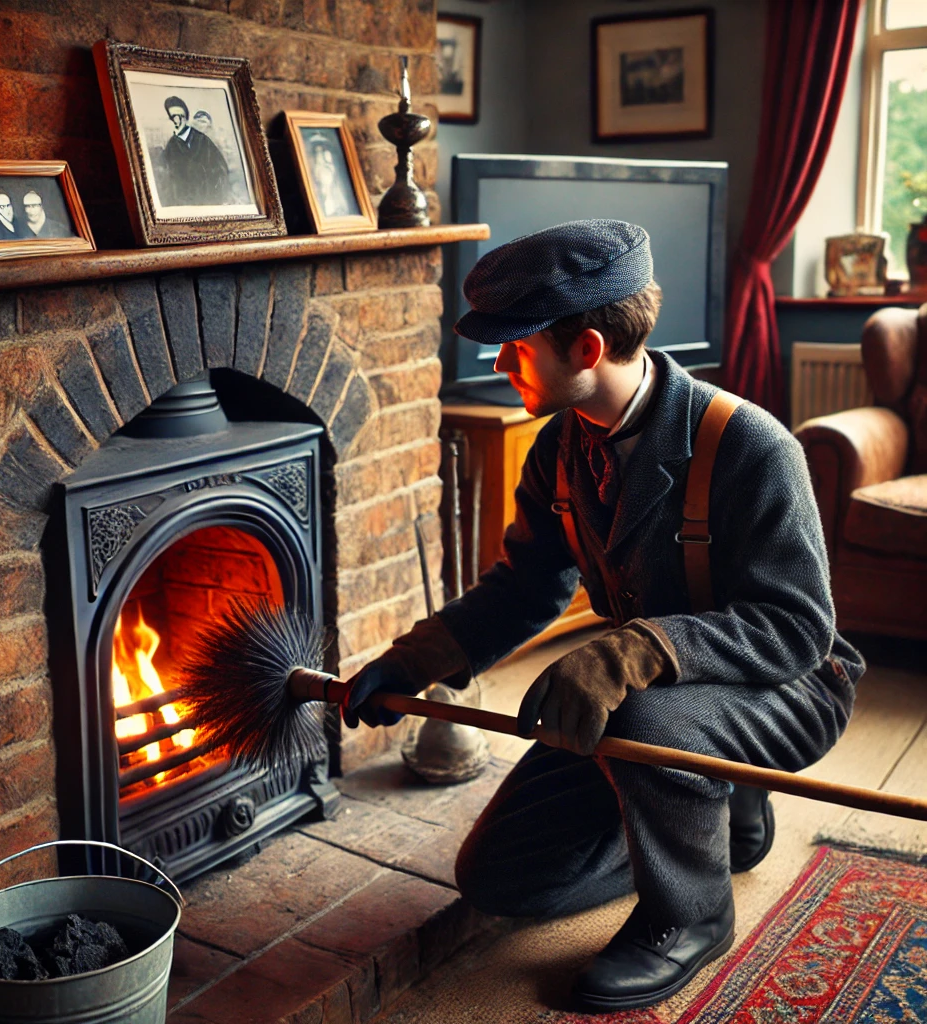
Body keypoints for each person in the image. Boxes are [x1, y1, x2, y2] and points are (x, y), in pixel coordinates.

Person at [343, 220, 864, 1014]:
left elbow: (797, 627)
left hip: (785, 687)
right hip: (661, 707)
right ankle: (711, 812)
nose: (498, 361)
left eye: (517, 346)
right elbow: (526, 586)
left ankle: (689, 914)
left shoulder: (751, 445)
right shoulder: (559, 448)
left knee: (651, 722)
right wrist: (416, 658)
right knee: (501, 878)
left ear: (586, 349)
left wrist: (636, 649)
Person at [162, 95, 230, 206]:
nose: (178, 120)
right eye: (174, 116)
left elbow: (221, 170)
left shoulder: (203, 140)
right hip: (183, 205)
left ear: (186, 116)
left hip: (209, 202)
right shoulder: (171, 146)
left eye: (181, 116)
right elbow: (168, 178)